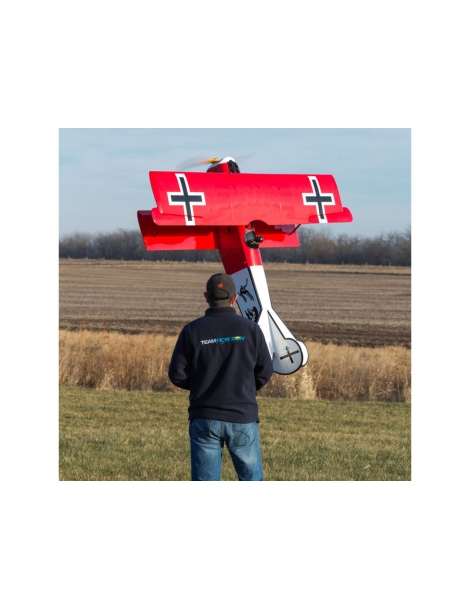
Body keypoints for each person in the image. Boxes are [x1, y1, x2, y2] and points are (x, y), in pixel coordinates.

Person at [168, 272, 273, 481]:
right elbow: (265, 371)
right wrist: (244, 387)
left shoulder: (191, 331)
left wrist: (201, 385)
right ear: (235, 299)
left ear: (206, 297)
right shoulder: (251, 329)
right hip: (243, 415)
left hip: (204, 417)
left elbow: (176, 374)